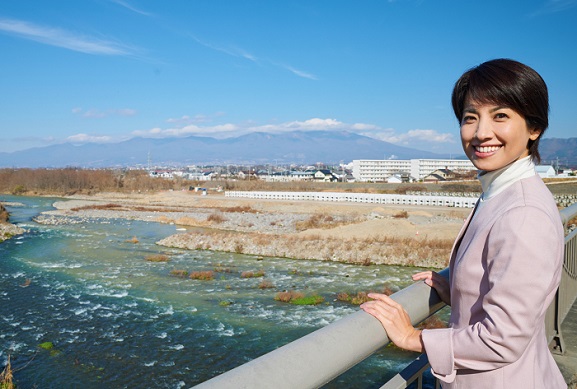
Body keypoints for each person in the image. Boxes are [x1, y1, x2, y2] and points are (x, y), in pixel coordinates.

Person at [360, 58, 567, 388]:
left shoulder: (524, 213)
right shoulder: (502, 191)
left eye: (500, 115)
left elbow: (503, 339)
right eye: (471, 118)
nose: (482, 132)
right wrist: (458, 288)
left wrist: (414, 337)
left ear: (533, 127)